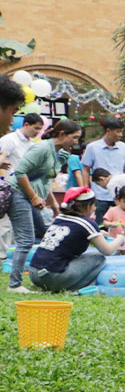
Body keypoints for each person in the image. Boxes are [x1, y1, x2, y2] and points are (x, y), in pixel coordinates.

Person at [8, 119, 82, 293]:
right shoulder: (42, 148)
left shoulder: (59, 153)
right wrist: (34, 197)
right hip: (19, 194)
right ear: (62, 134)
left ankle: (45, 269)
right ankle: (14, 285)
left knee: (46, 231)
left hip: (32, 197)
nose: (76, 142)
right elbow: (20, 172)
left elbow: (45, 179)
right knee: (26, 240)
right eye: (74, 137)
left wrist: (54, 204)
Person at [28, 187, 125, 292]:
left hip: (34, 274)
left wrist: (99, 234)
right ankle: (79, 287)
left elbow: (74, 234)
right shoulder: (87, 223)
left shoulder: (60, 218)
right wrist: (120, 239)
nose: (95, 208)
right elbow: (107, 250)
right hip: (53, 277)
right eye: (94, 205)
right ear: (88, 206)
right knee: (98, 258)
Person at [80, 117, 125, 220]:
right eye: (118, 131)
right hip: (100, 195)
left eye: (121, 131)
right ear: (108, 131)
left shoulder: (124, 147)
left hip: (120, 195)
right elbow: (85, 169)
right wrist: (85, 188)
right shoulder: (92, 147)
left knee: (119, 224)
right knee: (101, 224)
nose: (121, 135)